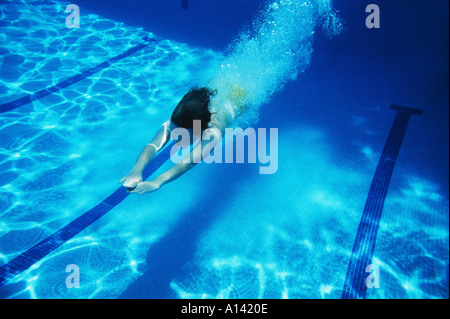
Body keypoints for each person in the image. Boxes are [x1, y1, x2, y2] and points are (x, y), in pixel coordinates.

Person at [118, 86, 244, 195]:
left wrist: (158, 182)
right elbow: (152, 145)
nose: (174, 139)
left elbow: (187, 163)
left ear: (198, 131)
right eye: (173, 133)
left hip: (239, 99)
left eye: (180, 137)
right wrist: (137, 169)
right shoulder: (178, 119)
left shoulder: (213, 133)